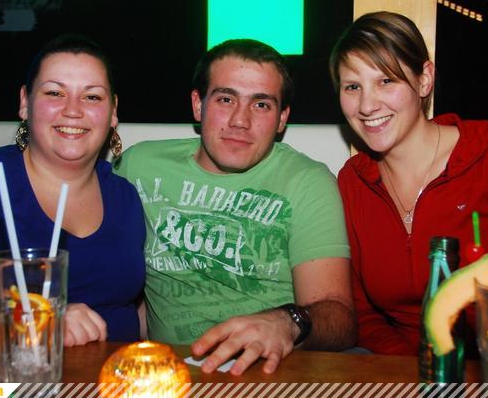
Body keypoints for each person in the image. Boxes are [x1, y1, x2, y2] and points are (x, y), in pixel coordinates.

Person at [114, 39, 356, 375]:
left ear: (282, 119)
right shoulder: (138, 167)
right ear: (198, 105)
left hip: (271, 375)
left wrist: (288, 322)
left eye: (261, 105)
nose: (240, 120)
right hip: (168, 377)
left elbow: (339, 319)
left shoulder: (306, 182)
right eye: (226, 99)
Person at [329, 11, 488, 355]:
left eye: (386, 81)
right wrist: (412, 372)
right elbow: (363, 313)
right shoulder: (353, 181)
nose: (367, 105)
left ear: (424, 80)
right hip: (396, 366)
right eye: (353, 87)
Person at [0, 34, 146, 346]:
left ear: (113, 112)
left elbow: (133, 311)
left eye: (92, 97)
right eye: (55, 93)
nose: (73, 110)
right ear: (25, 102)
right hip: (1, 374)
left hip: (116, 373)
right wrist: (32, 320)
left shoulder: (126, 197)